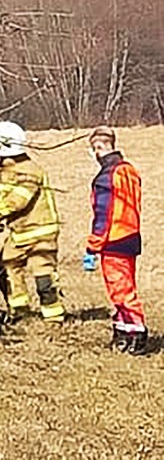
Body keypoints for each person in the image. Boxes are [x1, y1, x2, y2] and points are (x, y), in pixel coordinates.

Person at [0, 121, 65, 324]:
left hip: (40, 231)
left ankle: (53, 317)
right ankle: (20, 312)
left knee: (43, 274)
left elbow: (17, 201)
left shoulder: (28, 170)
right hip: (20, 233)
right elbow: (5, 199)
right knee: (7, 268)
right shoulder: (9, 170)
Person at [84, 126, 147, 355]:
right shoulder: (129, 170)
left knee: (120, 289)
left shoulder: (106, 176)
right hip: (131, 235)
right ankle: (123, 329)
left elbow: (103, 214)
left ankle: (136, 332)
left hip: (114, 239)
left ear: (98, 148)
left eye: (93, 150)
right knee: (124, 285)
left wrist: (93, 246)